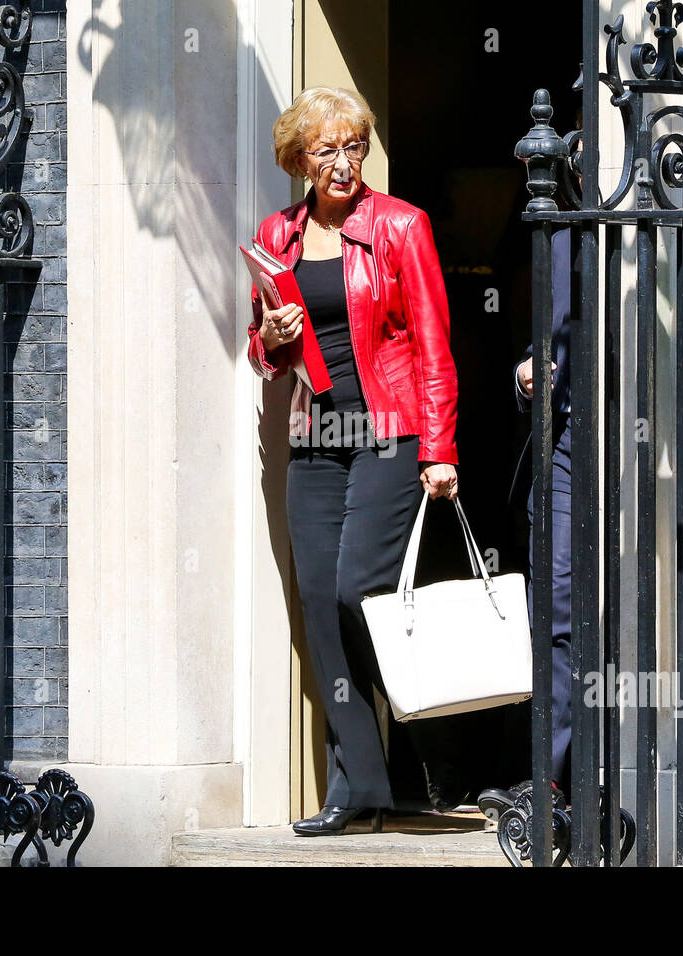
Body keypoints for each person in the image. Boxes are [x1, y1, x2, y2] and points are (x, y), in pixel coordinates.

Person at [245, 87, 460, 836]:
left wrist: (440, 450)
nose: (343, 163)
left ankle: (429, 753)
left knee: (352, 592)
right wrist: (272, 336)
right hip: (315, 437)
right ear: (298, 159)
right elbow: (262, 353)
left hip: (389, 432)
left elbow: (434, 346)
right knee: (316, 609)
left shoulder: (401, 225)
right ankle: (361, 786)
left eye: (354, 146)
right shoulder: (279, 233)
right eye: (325, 150)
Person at [505, 224, 574, 800]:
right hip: (566, 442)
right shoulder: (554, 236)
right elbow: (545, 341)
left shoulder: (638, 221)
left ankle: (606, 775)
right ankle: (549, 776)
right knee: (551, 609)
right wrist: (529, 371)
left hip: (631, 434)